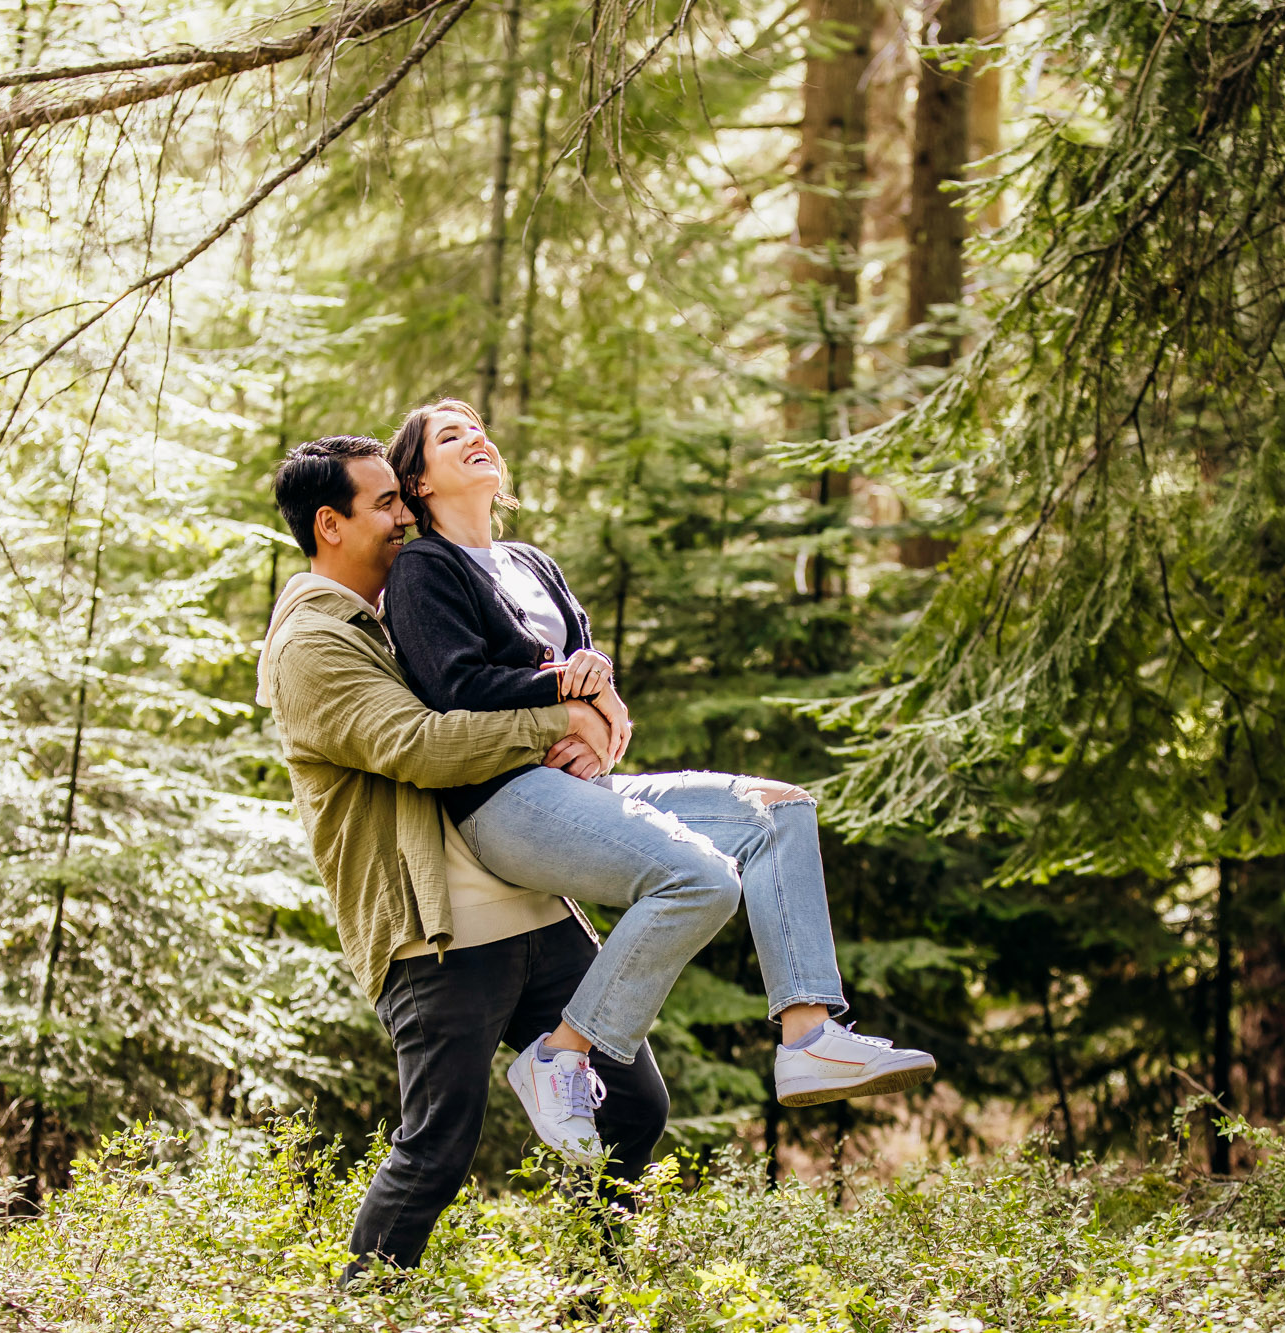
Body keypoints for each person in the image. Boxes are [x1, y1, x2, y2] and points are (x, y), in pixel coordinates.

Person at [381, 398, 936, 1157]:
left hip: (584, 785)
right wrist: (562, 694)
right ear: (416, 482)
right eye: (450, 436)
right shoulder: (423, 568)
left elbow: (593, 681)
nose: (476, 438)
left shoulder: (531, 563)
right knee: (702, 878)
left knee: (778, 811)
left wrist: (603, 725)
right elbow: (453, 686)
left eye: (478, 429)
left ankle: (809, 1035)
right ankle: (563, 1053)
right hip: (501, 802)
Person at [255, 435, 669, 1279]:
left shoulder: (406, 608)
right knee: (438, 1147)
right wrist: (562, 717)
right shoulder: (312, 645)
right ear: (328, 525)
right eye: (383, 505)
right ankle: (360, 1307)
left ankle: (594, 1302)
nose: (404, 514)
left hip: (535, 905)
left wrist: (589, 712)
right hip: (435, 929)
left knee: (633, 1105)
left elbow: (491, 677)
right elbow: (419, 745)